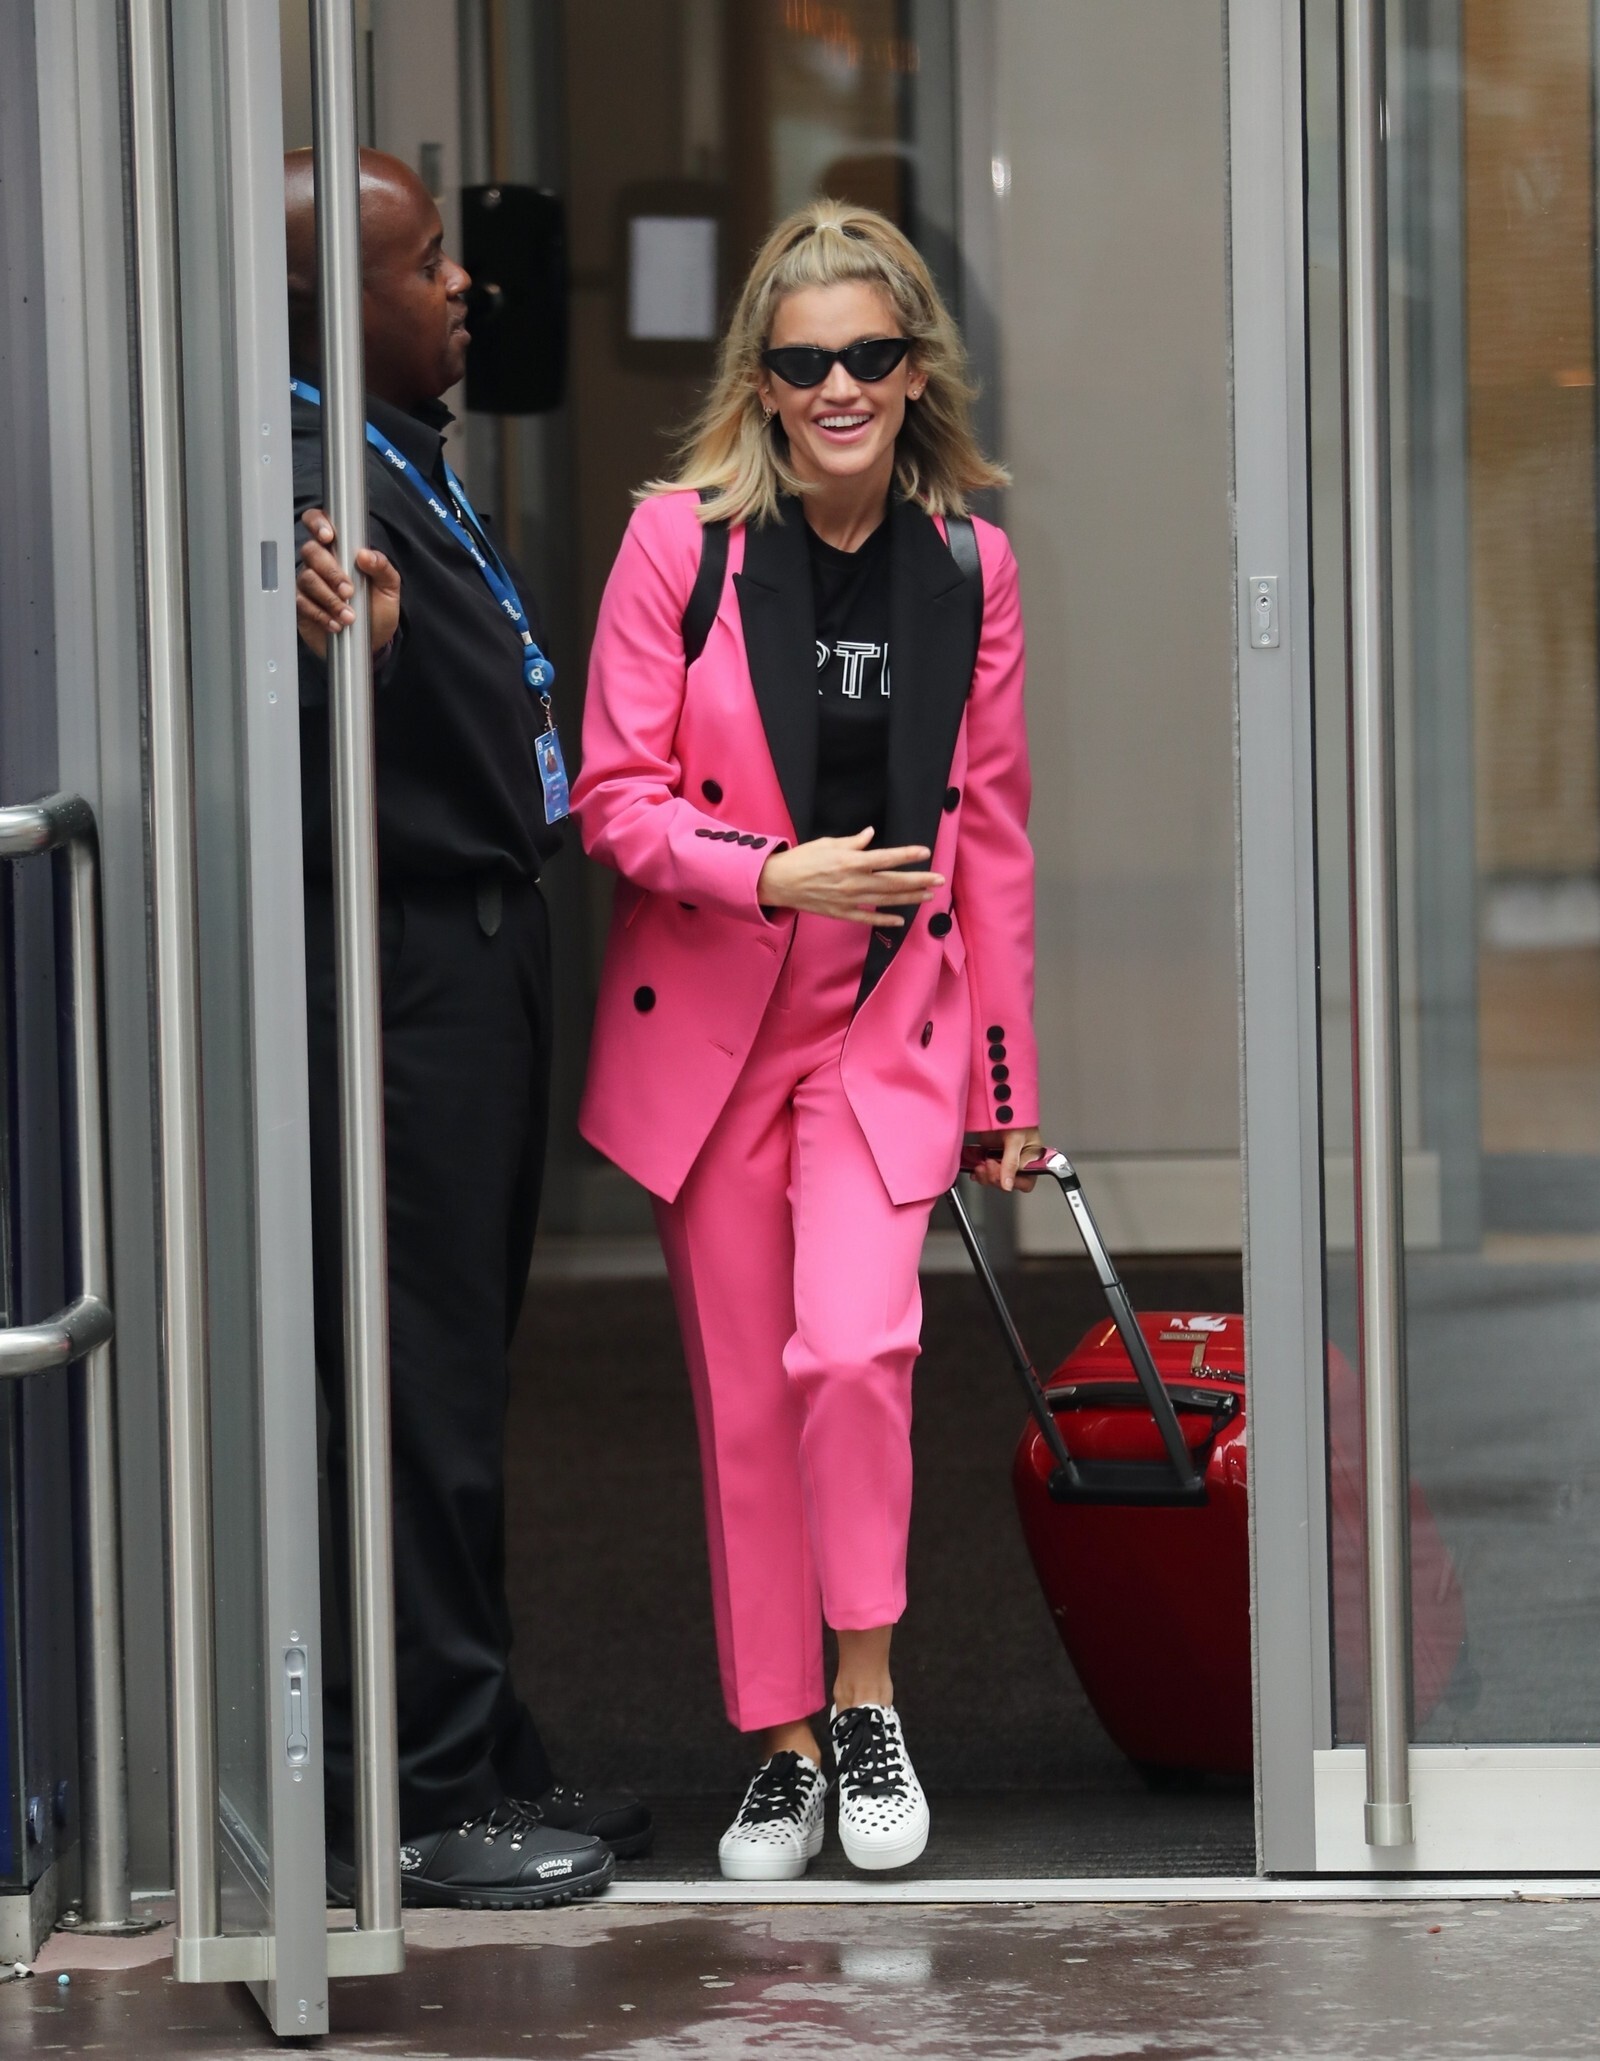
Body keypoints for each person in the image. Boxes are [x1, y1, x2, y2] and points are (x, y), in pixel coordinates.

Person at [573, 198, 1041, 1880]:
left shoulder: (969, 566)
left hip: (880, 1027)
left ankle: (865, 1696)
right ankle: (776, 1745)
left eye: (869, 354)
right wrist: (769, 869)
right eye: (803, 361)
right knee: (743, 1397)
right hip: (717, 1027)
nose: (838, 385)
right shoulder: (679, 545)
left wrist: (1008, 1090)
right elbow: (613, 799)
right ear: (760, 383)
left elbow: (994, 840)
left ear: (916, 371)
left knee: (854, 1350)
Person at [285, 147, 650, 1907]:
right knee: (419, 1395)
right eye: (425, 261)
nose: (461, 284)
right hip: (403, 972)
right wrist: (344, 647)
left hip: (475, 955)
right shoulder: (307, 496)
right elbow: (289, 719)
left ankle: (482, 1742)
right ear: (323, 308)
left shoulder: (390, 450)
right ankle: (428, 1798)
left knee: (463, 1374)